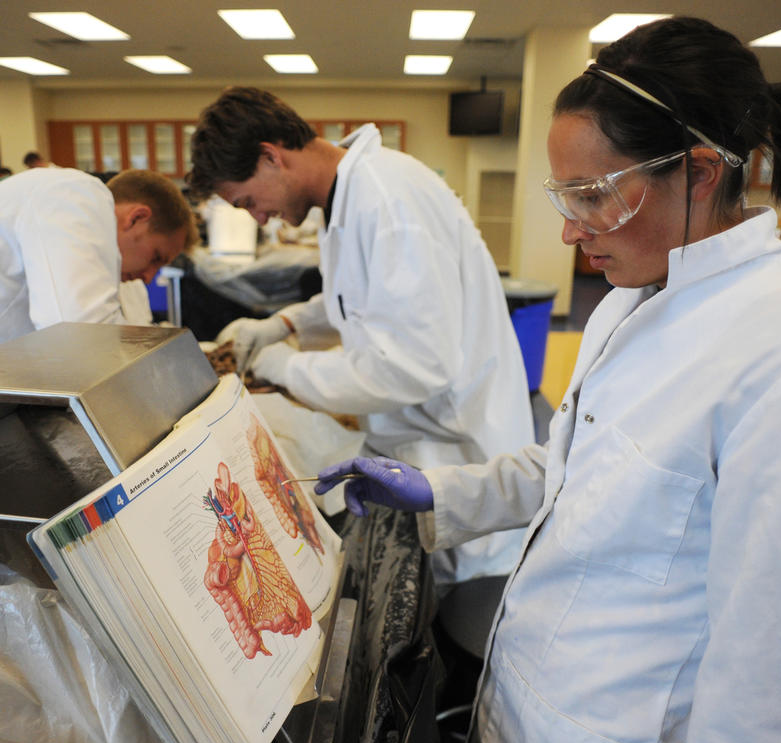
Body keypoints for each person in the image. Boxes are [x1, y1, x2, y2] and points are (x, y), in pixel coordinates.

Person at [315, 16, 781, 743]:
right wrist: (443, 491)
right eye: (566, 195)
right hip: (530, 699)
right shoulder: (628, 302)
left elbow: (766, 674)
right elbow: (577, 467)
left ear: (700, 173)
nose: (570, 230)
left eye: (592, 194)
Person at [188, 86, 535, 585]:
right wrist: (285, 324)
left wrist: (283, 367)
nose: (256, 217)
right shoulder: (346, 197)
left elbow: (412, 366)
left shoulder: (388, 201)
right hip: (417, 442)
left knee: (458, 615)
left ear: (270, 157)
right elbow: (358, 296)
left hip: (458, 449)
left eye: (247, 201)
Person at [0, 167, 197, 397]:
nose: (149, 278)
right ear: (136, 217)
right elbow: (82, 339)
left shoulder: (57, 216)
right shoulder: (78, 196)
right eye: (156, 257)